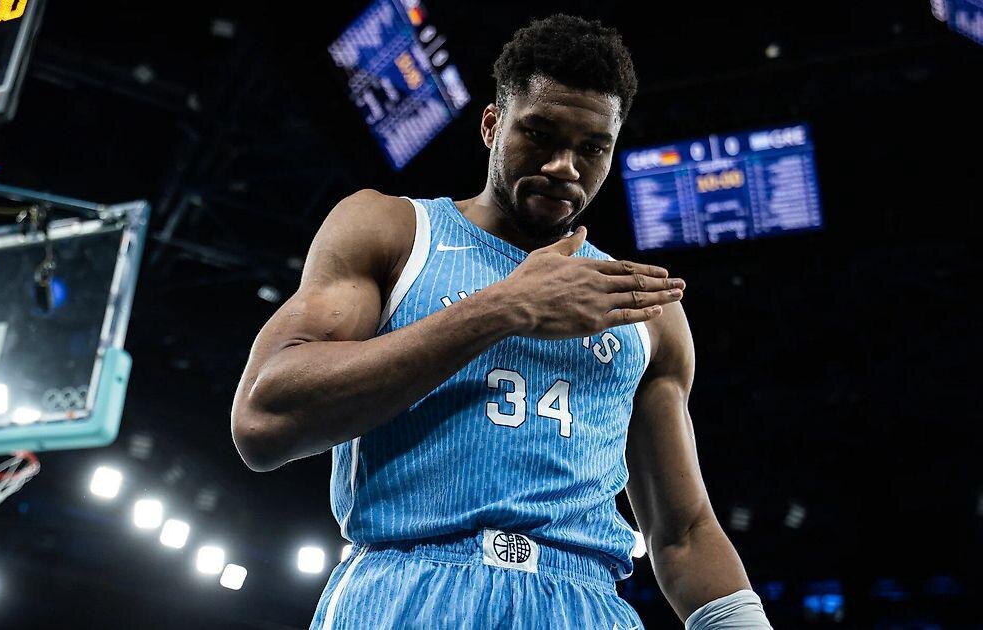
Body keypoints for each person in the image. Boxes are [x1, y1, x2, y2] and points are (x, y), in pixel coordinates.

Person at [231, 14, 771, 629]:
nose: (564, 166)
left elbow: (683, 534)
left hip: (585, 603)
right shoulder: (393, 229)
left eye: (592, 148)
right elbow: (263, 420)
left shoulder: (645, 309)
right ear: (492, 125)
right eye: (540, 135)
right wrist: (503, 309)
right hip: (409, 584)